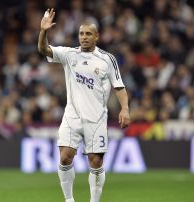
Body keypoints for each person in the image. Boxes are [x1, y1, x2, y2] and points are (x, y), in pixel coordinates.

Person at [38, 8, 131, 202]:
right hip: (72, 116)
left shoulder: (107, 59)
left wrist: (125, 109)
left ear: (96, 37)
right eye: (81, 33)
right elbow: (43, 49)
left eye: (88, 33)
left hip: (96, 118)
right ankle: (69, 200)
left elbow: (120, 87)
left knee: (96, 162)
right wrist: (43, 31)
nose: (84, 37)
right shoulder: (69, 55)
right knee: (64, 157)